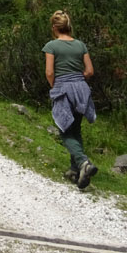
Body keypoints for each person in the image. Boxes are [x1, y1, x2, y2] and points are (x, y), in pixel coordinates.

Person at [42, 10, 98, 189]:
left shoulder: (51, 46)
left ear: (54, 28)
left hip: (63, 88)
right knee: (76, 129)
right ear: (68, 27)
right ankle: (76, 171)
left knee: (64, 130)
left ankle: (83, 163)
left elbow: (49, 72)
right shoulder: (80, 45)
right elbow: (90, 71)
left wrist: (55, 86)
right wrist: (77, 79)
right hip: (81, 88)